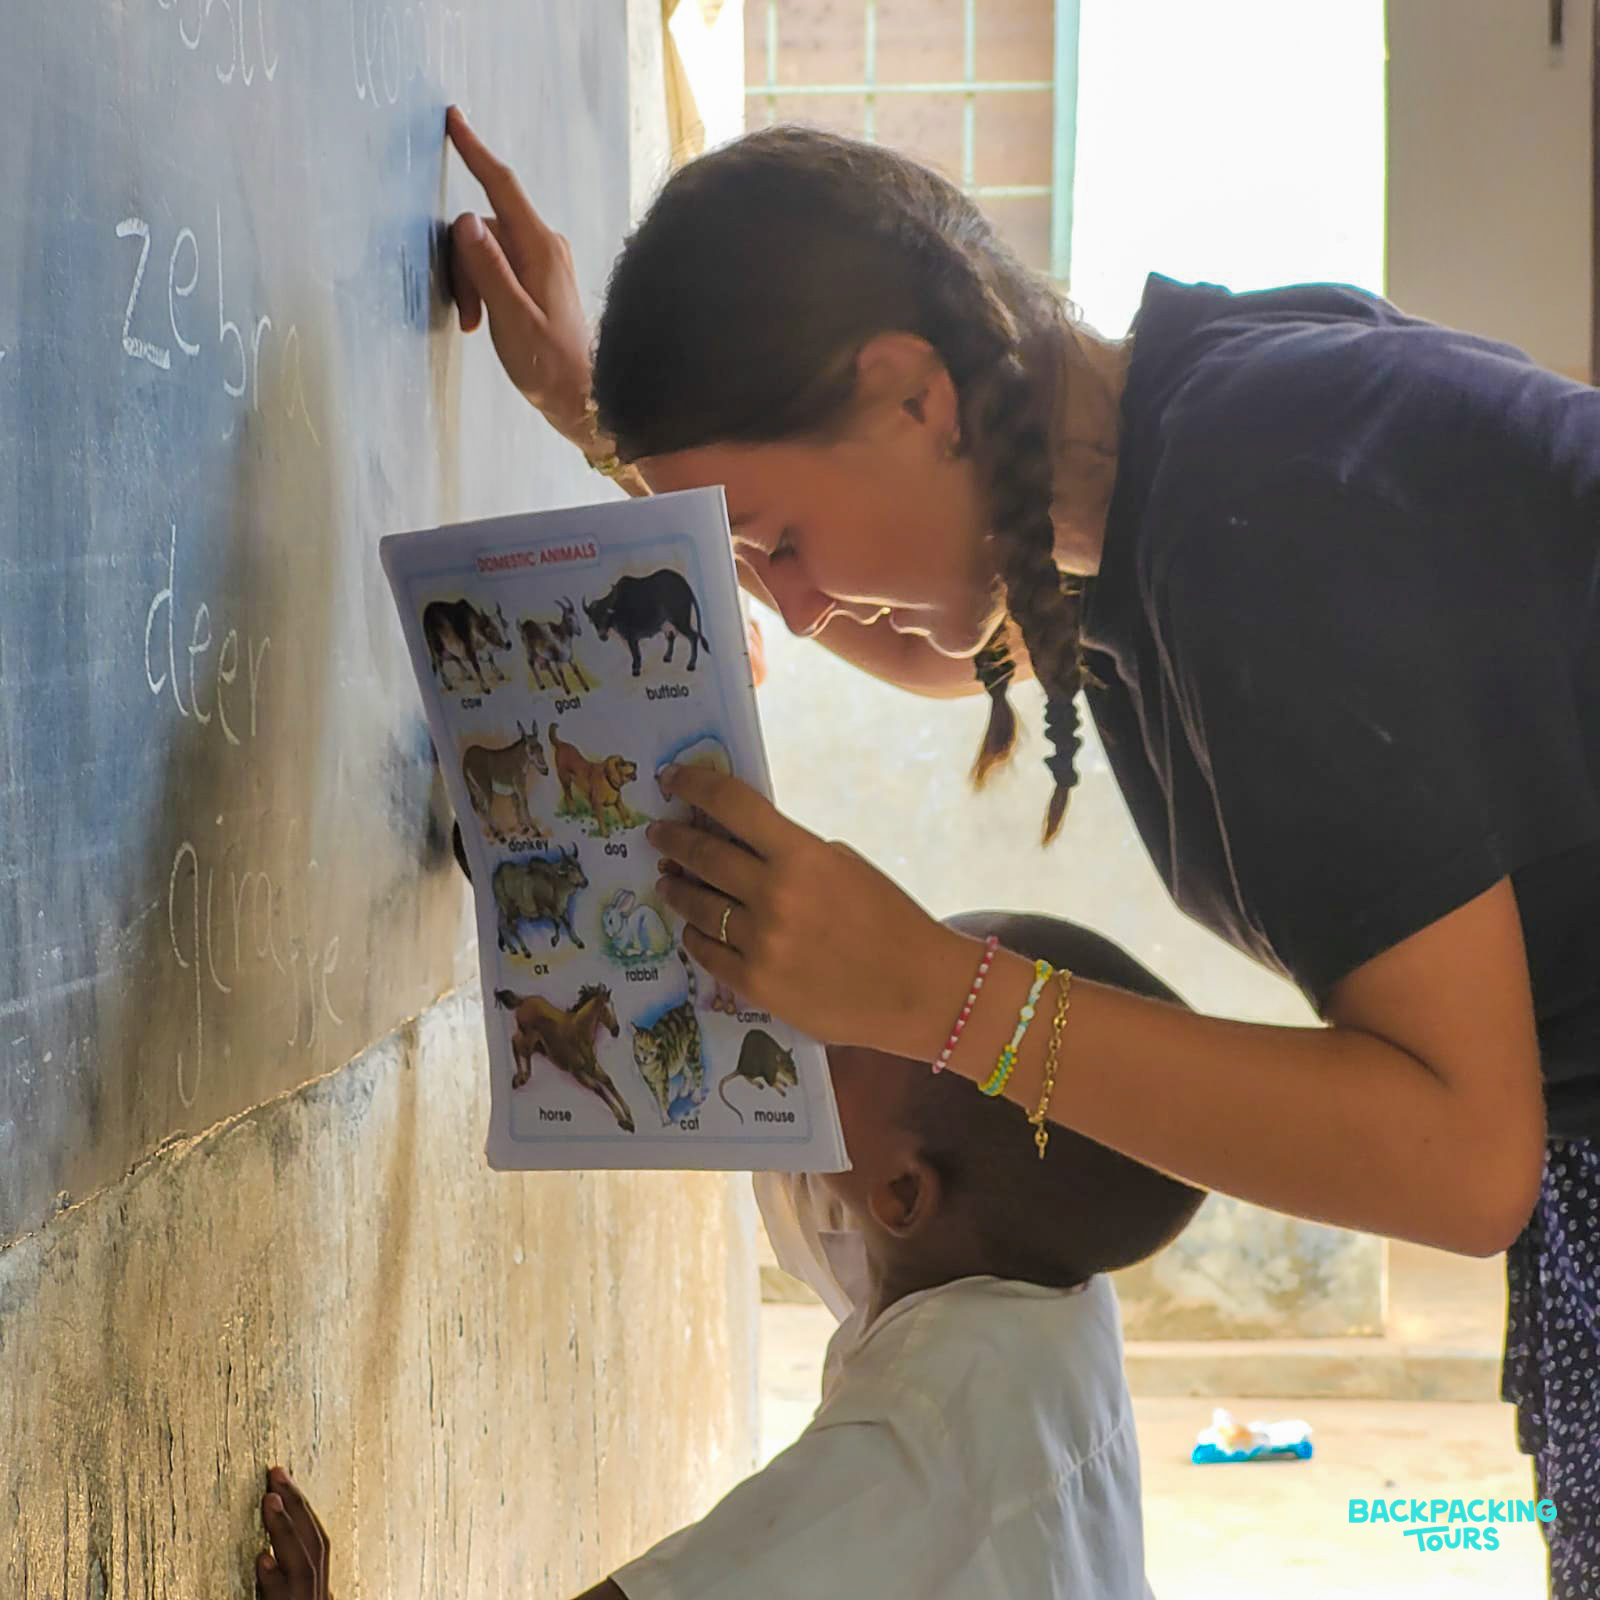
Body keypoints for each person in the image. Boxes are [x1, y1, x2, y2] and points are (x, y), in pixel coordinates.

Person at [441, 106, 1600, 1593]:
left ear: (913, 394)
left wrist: (939, 998)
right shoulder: (1169, 442)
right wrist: (609, 430)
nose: (793, 607)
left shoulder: (1257, 514)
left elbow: (1466, 1161)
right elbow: (945, 643)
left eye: (775, 539)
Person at [254, 913, 1206, 1600]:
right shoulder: (1044, 1284)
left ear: (902, 1195)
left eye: (876, 1020)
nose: (827, 1010)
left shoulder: (909, 1456)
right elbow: (816, 1161)